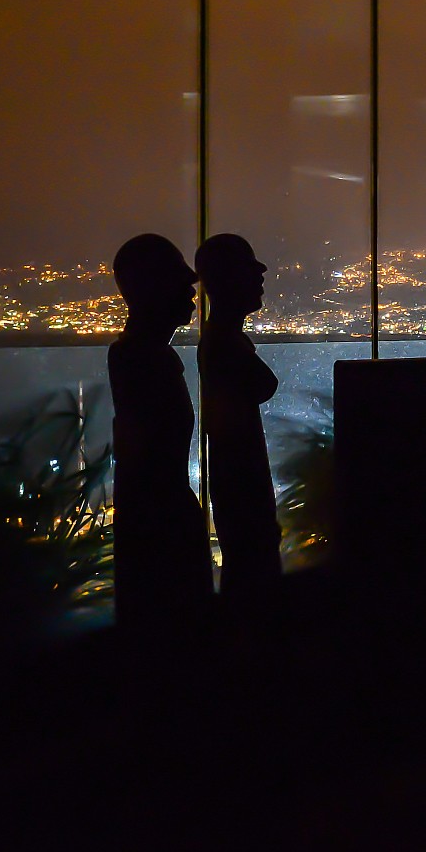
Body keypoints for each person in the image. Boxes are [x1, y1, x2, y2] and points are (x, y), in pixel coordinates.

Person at [107, 233, 212, 630]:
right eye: (180, 285)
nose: (190, 294)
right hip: (160, 525)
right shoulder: (141, 359)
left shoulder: (145, 355)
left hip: (161, 519)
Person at [196, 233, 283, 599]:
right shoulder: (224, 343)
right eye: (249, 265)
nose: (261, 271)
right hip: (242, 483)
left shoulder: (222, 340)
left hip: (238, 481)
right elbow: (264, 384)